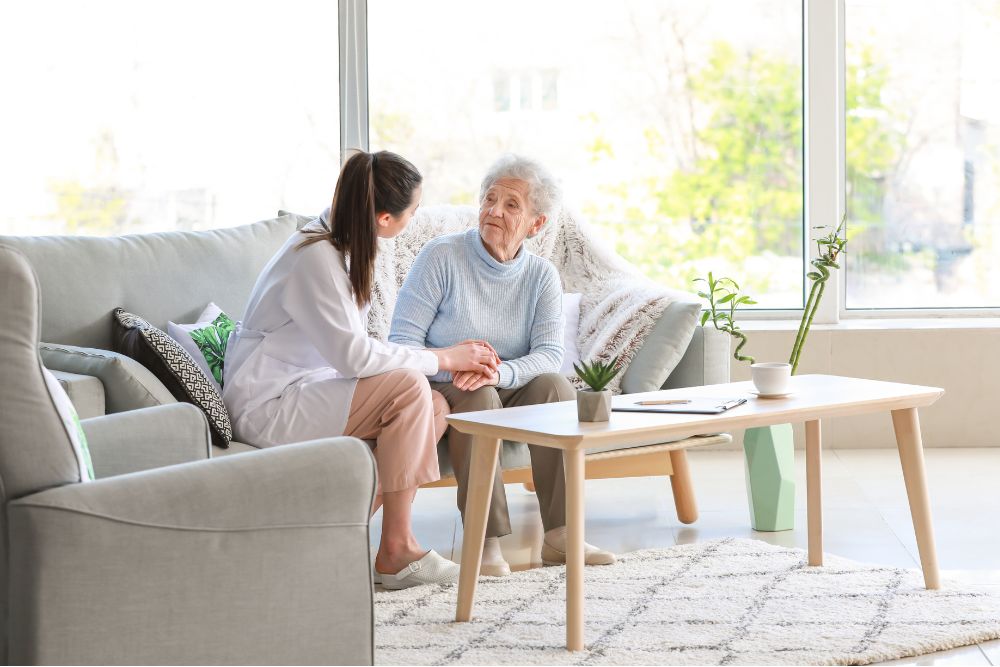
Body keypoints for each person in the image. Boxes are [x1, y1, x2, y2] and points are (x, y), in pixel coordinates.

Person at [223, 150, 499, 590]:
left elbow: (355, 351)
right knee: (412, 389)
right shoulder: (314, 259)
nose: (415, 218)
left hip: (303, 390)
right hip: (268, 406)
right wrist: (444, 357)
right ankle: (397, 550)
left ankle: (334, 536)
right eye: (413, 211)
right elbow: (354, 357)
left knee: (433, 406)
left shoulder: (336, 246)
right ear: (385, 219)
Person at [389, 153, 616, 576]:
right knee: (478, 394)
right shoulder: (441, 257)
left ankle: (561, 534)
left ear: (536, 224)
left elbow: (549, 354)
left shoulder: (541, 276)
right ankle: (485, 540)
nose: (494, 210)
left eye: (511, 205)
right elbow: (402, 344)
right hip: (444, 382)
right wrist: (456, 368)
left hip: (505, 381)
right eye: (489, 199)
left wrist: (500, 372)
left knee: (555, 388)